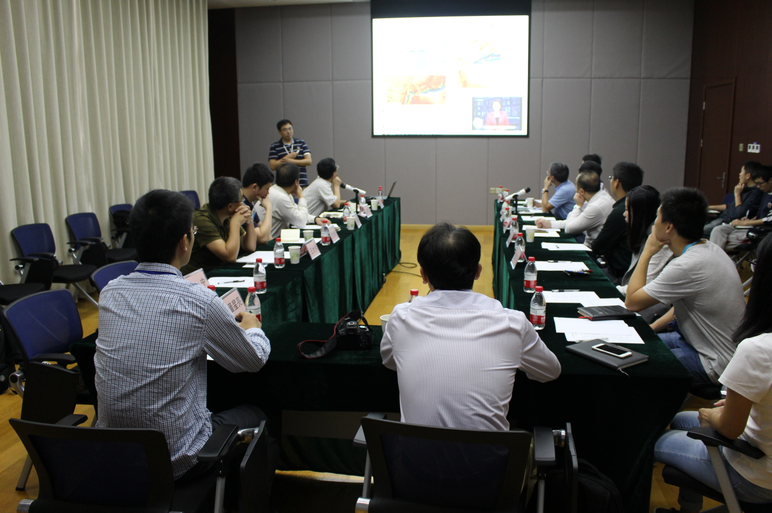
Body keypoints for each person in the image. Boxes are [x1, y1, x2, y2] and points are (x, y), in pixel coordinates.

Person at [94, 189, 277, 503]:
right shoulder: (198, 300)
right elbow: (253, 360)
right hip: (177, 461)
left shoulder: (110, 293)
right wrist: (254, 329)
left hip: (113, 456)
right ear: (184, 241)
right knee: (261, 413)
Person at [380, 223, 561, 431]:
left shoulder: (401, 317)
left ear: (423, 275)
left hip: (413, 452)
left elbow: (389, 361)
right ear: (478, 271)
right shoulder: (513, 323)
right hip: (492, 453)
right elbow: (551, 371)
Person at [653, 234, 772, 513]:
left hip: (757, 475)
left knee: (652, 439)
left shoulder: (758, 348)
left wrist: (711, 415)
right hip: (761, 447)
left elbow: (729, 428)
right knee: (680, 420)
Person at [625, 187, 745, 386]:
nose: (654, 223)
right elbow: (683, 307)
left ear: (669, 227)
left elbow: (632, 302)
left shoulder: (687, 265)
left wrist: (647, 252)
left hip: (714, 361)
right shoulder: (710, 249)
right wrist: (651, 328)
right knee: (634, 344)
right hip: (700, 343)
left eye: (657, 217)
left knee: (632, 365)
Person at [617, 185, 674, 323]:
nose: (624, 214)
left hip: (650, 308)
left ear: (639, 213)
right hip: (633, 297)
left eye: (627, 210)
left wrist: (613, 290)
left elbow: (644, 287)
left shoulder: (659, 241)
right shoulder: (643, 233)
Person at [181, 177, 256, 274]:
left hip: (217, 271)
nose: (243, 203)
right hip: (200, 276)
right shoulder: (202, 220)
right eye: (241, 199)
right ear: (230, 206)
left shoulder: (226, 215)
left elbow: (250, 246)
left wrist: (249, 220)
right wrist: (235, 223)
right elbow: (230, 256)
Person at [591, 162, 644, 284]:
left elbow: (598, 247)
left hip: (619, 276)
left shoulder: (621, 211)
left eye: (611, 178)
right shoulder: (639, 205)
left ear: (617, 183)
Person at [535, 170, 615, 247]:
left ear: (582, 192)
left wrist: (578, 206)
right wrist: (550, 224)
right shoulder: (599, 196)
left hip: (592, 250)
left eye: (576, 189)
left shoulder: (595, 206)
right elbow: (576, 222)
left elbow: (569, 229)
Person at [709, 164, 772, 251]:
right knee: (718, 230)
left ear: (771, 180)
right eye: (756, 184)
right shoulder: (765, 194)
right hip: (749, 225)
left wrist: (746, 223)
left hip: (761, 230)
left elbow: (769, 219)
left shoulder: (757, 193)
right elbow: (761, 214)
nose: (758, 186)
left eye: (760, 183)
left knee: (720, 240)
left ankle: (714, 258)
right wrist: (749, 220)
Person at [703, 160, 763, 237]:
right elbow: (730, 206)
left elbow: (739, 213)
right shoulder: (744, 189)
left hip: (727, 222)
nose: (739, 174)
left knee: (694, 232)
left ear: (748, 176)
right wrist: (708, 207)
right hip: (721, 217)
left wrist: (737, 194)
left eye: (741, 172)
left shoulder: (756, 193)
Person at [268, 162, 324, 239]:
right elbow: (301, 222)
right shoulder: (281, 197)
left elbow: (297, 213)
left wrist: (315, 219)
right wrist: (301, 196)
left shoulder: (279, 191)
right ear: (296, 182)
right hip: (271, 241)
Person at [268, 119, 312, 187]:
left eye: (290, 129)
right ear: (279, 132)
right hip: (284, 185)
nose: (288, 132)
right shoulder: (275, 146)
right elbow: (273, 166)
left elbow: (308, 161)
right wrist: (288, 157)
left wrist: (291, 161)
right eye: (285, 130)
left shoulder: (301, 143)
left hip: (301, 183)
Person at [241, 162, 274, 245]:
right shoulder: (240, 206)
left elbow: (267, 235)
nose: (268, 193)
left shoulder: (249, 203)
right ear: (254, 187)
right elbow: (262, 238)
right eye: (267, 189)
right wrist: (269, 208)